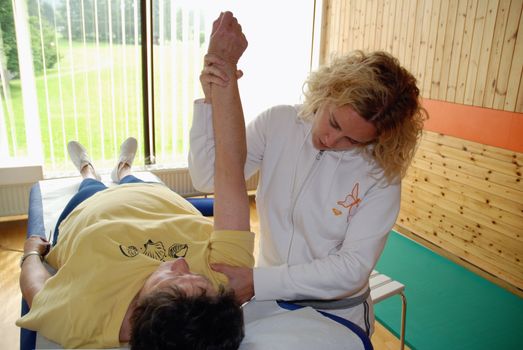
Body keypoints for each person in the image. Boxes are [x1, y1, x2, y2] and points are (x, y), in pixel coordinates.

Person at [17, 12, 252, 349]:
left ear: (138, 312)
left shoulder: (81, 315)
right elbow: (229, 168)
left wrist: (30, 253)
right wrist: (222, 67)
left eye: (174, 278)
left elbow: (35, 289)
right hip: (161, 199)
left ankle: (86, 168)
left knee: (91, 184)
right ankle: (125, 166)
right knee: (133, 176)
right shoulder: (225, 285)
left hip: (91, 210)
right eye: (197, 277)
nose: (183, 264)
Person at [189, 27, 427, 334]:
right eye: (334, 122)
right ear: (328, 90)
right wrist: (211, 101)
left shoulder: (381, 174)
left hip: (333, 313)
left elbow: (351, 269)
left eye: (353, 140)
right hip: (268, 298)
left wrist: (257, 281)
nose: (331, 139)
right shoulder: (278, 123)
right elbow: (208, 175)